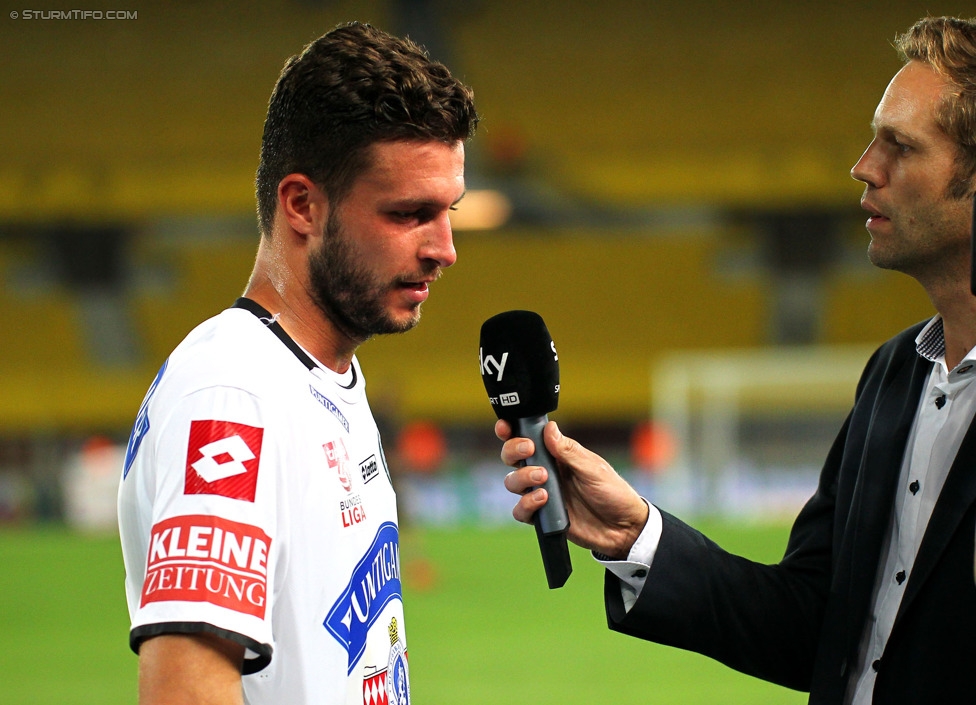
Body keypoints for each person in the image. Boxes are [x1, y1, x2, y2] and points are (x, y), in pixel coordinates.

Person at [499, 15, 976, 705]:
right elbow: (818, 624)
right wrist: (637, 534)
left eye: (900, 146)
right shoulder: (893, 376)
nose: (865, 166)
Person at [118, 22, 477, 705]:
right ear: (303, 205)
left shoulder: (315, 375)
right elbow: (185, 689)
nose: (445, 248)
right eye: (410, 213)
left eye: (448, 212)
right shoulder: (233, 394)